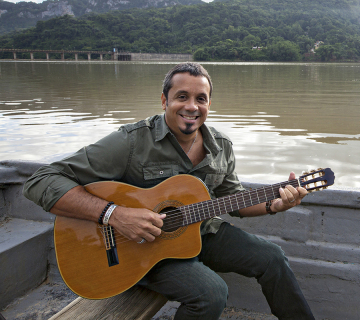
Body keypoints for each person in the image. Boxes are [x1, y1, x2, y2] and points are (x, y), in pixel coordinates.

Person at [23, 62, 315, 320]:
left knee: (273, 257)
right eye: (182, 97)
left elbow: (233, 201)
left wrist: (274, 205)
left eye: (201, 99)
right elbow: (42, 180)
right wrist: (114, 214)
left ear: (209, 104)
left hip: (202, 232)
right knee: (211, 294)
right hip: (138, 248)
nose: (192, 106)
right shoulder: (132, 141)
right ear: (164, 100)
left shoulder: (221, 146)